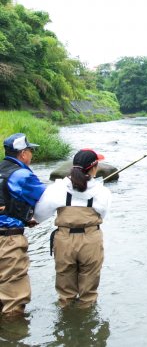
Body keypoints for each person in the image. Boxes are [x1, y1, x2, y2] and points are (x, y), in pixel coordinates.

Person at [34, 149, 111, 308]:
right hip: (91, 239)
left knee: (65, 291)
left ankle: (66, 317)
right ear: (94, 168)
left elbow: (40, 214)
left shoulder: (57, 188)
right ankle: (85, 319)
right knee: (88, 292)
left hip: (64, 240)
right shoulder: (102, 191)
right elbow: (103, 215)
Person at [0, 133, 46, 318]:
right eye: (30, 150)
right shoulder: (22, 174)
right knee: (13, 296)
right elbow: (44, 197)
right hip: (8, 240)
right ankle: (14, 338)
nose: (31, 155)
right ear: (23, 153)